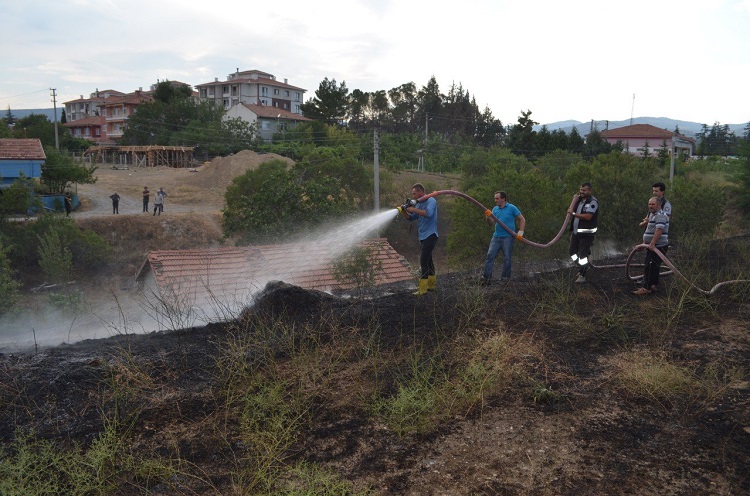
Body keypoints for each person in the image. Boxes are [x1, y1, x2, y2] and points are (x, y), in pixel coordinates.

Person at [400, 183, 438, 295]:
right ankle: (431, 286)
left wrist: (413, 209)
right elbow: (410, 218)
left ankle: (423, 289)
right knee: (429, 261)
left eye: (414, 193)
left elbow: (429, 213)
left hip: (431, 235)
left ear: (421, 192)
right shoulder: (418, 204)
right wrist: (404, 211)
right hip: (423, 236)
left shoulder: (431, 201)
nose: (413, 196)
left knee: (423, 260)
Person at [481, 191, 526, 284]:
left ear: (503, 199)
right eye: (495, 198)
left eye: (497, 198)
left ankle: (505, 279)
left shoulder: (511, 208)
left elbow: (522, 219)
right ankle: (486, 278)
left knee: (507, 258)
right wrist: (488, 217)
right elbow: (491, 223)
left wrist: (520, 232)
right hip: (496, 237)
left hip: (508, 237)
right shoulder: (495, 209)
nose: (495, 200)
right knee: (490, 256)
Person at [633, 197, 670, 295]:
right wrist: (644, 243)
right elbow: (649, 231)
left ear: (659, 205)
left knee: (650, 266)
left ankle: (646, 288)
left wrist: (652, 243)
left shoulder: (660, 216)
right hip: (652, 245)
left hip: (657, 246)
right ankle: (653, 285)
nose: (650, 206)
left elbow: (659, 230)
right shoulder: (652, 215)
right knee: (654, 266)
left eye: (653, 204)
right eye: (649, 204)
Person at [567, 182, 599, 283]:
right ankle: (583, 266)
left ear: (589, 191)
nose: (581, 192)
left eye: (584, 190)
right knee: (572, 252)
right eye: (581, 190)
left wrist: (573, 213)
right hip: (576, 233)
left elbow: (588, 217)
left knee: (582, 255)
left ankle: (582, 275)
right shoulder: (578, 200)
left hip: (586, 234)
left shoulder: (593, 202)